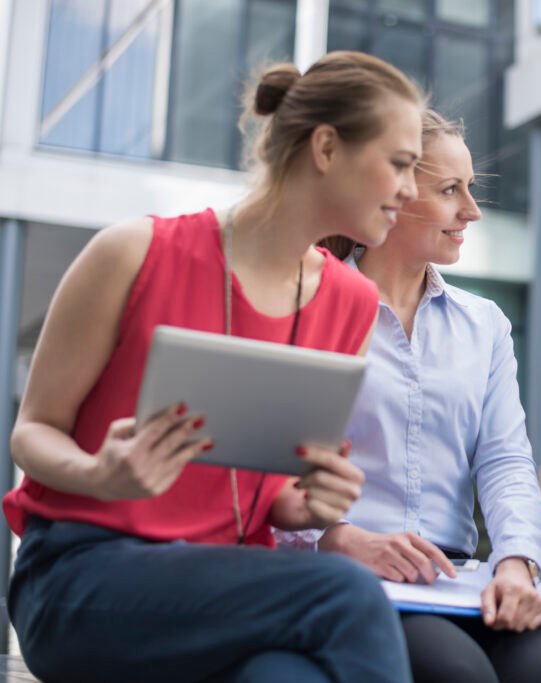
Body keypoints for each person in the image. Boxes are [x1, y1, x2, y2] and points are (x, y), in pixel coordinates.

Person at [3, 51, 425, 683]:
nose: (411, 190)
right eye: (399, 164)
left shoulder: (351, 302)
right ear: (328, 148)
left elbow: (270, 491)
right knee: (346, 593)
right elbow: (30, 433)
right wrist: (97, 474)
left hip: (226, 584)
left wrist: (308, 506)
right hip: (80, 576)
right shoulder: (132, 253)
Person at [310, 109, 541, 683]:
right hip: (354, 570)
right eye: (450, 191)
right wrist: (336, 538)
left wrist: (517, 564)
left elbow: (505, 461)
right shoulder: (312, 302)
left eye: (471, 189)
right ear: (389, 193)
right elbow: (273, 457)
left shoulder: (484, 324)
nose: (471, 210)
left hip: (458, 577)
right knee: (458, 672)